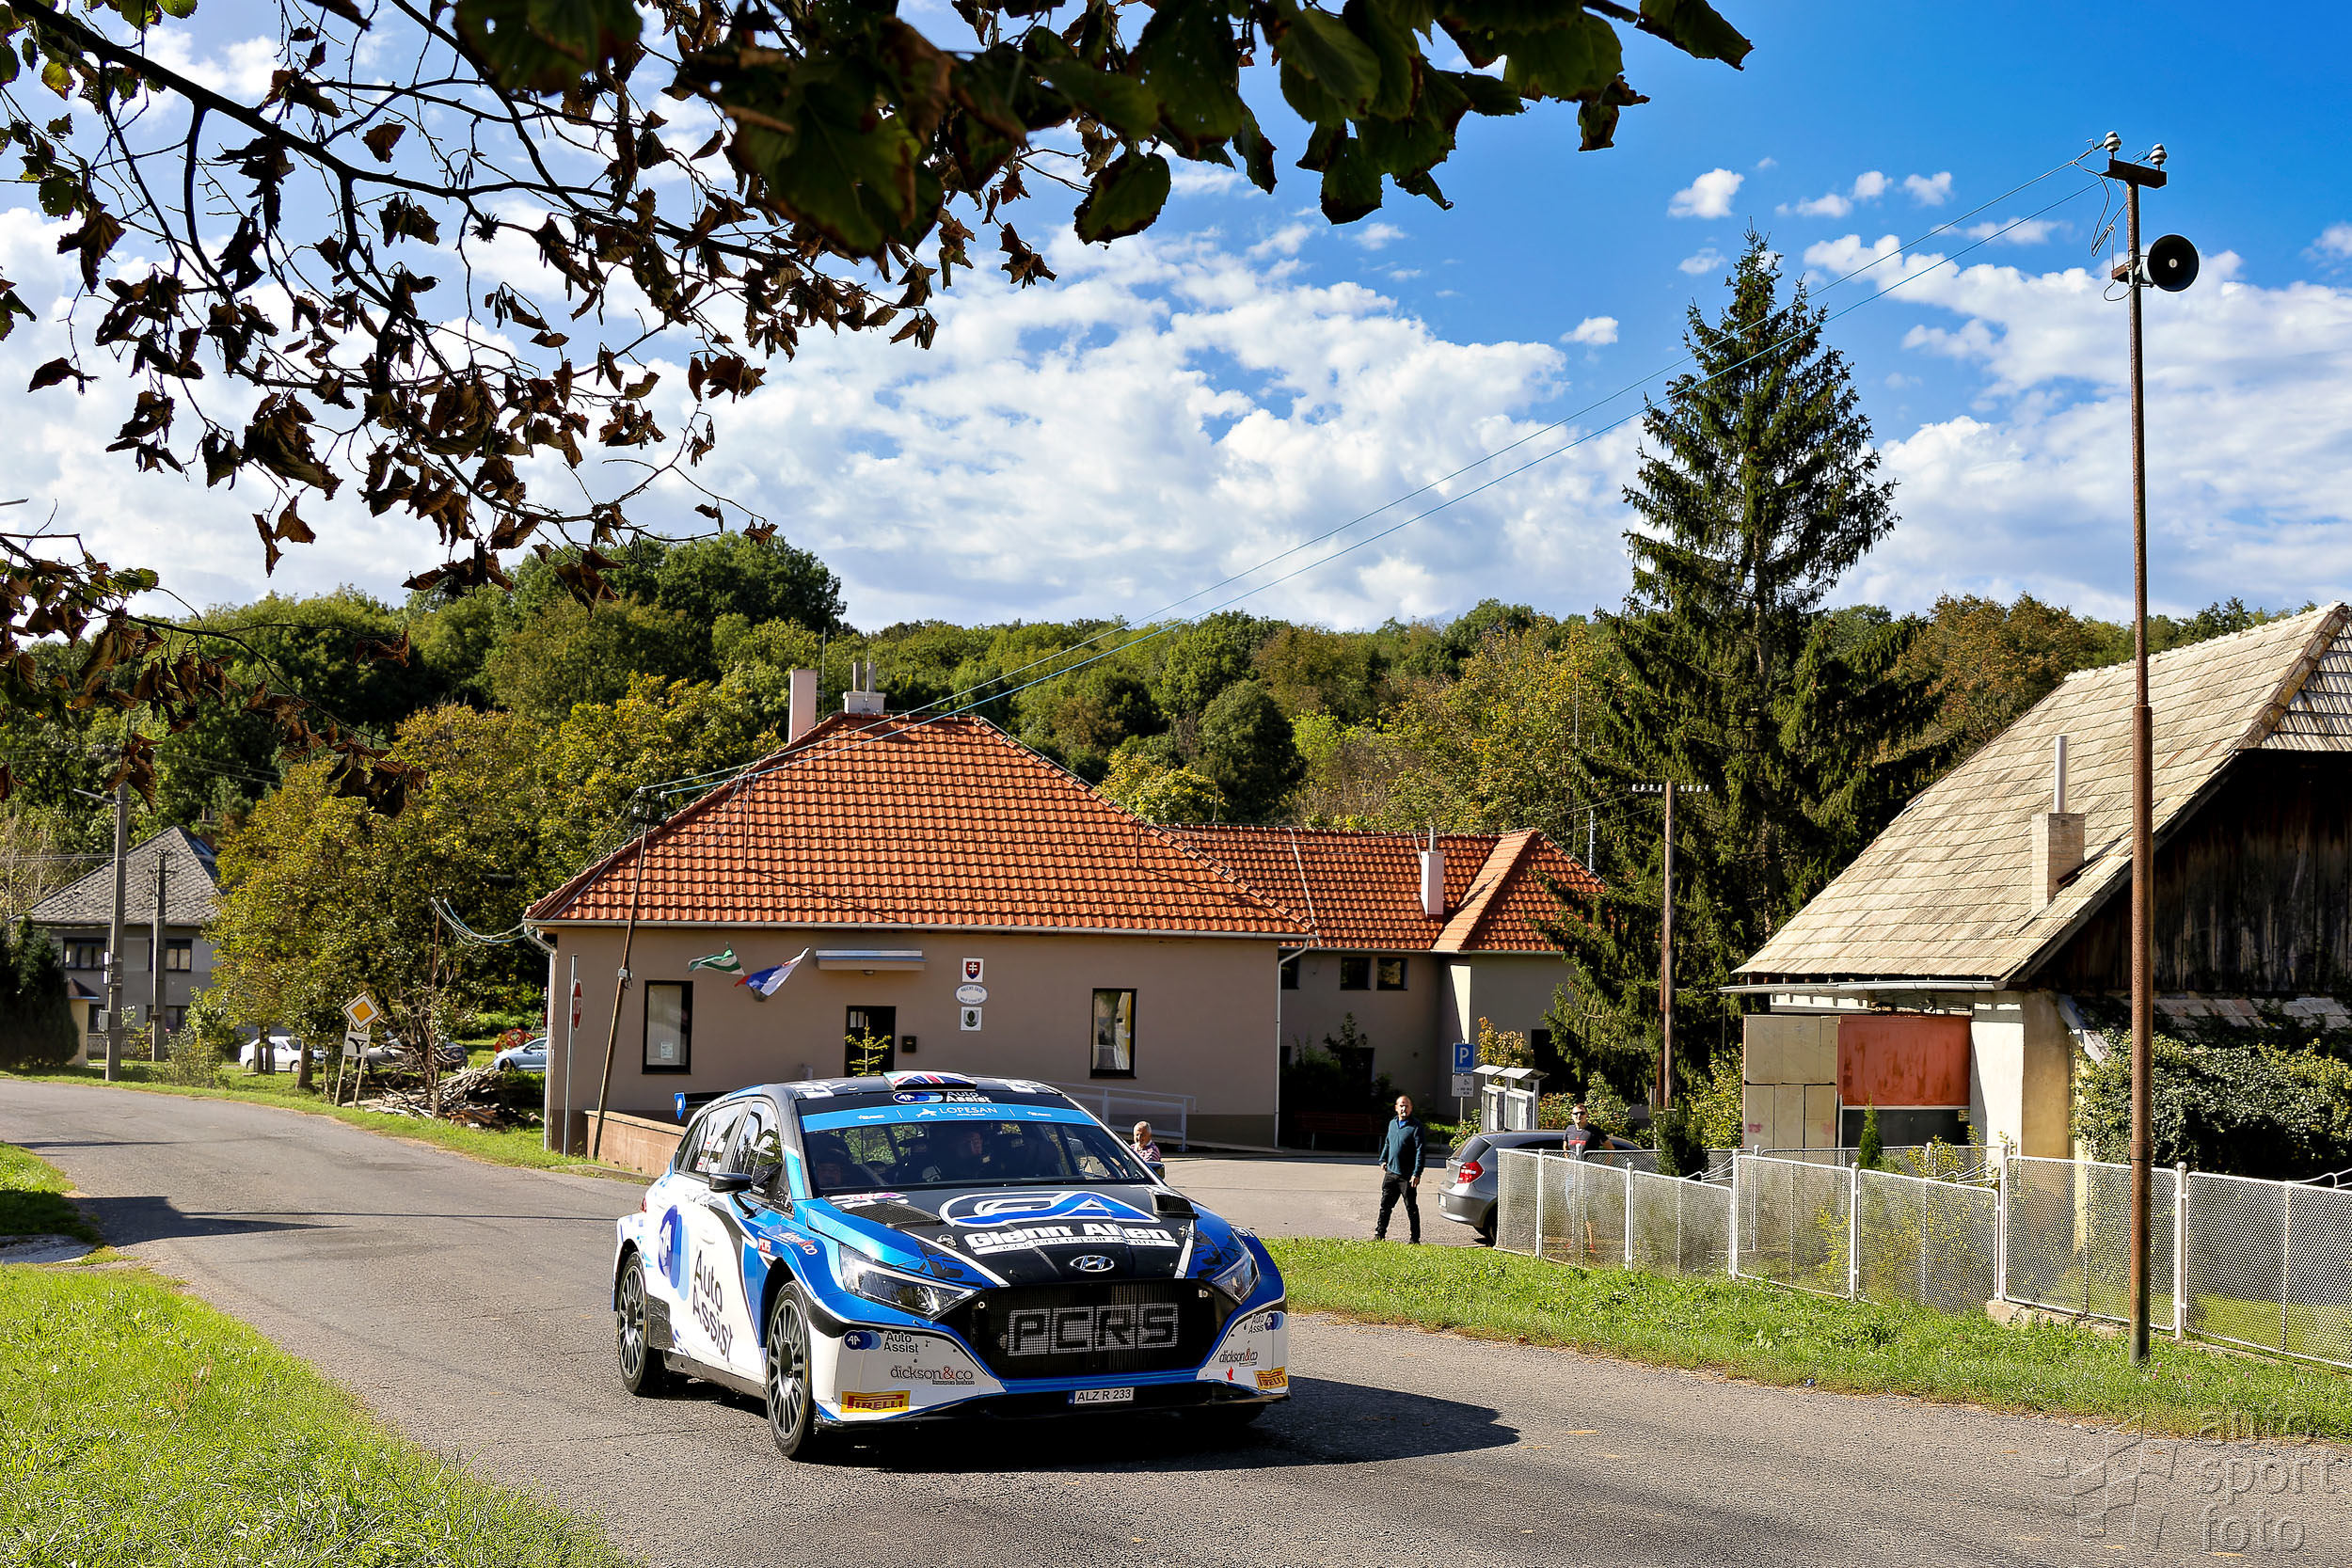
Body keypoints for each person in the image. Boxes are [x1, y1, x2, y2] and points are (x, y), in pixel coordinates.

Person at [1374, 1094, 1425, 1243]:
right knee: (1385, 1205)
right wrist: (1383, 1159)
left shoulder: (1416, 1126)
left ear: (1411, 1108)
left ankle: (1415, 1239)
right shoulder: (1393, 1124)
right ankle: (1380, 1235)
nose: (1404, 1109)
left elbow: (1420, 1151)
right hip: (1391, 1173)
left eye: (1406, 1106)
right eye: (1401, 1106)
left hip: (1407, 1176)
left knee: (1411, 1208)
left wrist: (1417, 1173)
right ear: (1396, 1108)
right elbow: (1388, 1143)